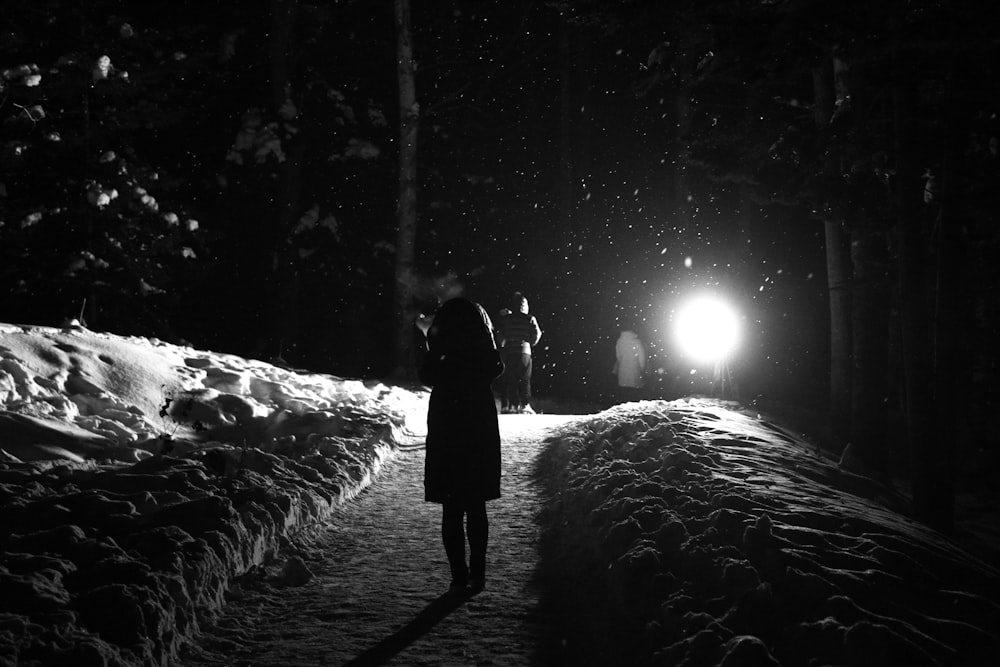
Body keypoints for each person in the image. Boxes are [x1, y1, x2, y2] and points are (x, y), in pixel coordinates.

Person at [418, 297, 504, 594]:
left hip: (446, 419)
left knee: (452, 506)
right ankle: (478, 573)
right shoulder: (482, 337)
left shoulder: (441, 339)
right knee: (476, 502)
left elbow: (426, 375)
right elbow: (496, 367)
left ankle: (458, 574)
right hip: (477, 418)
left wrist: (436, 351)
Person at [494, 292, 542, 414]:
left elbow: (499, 334)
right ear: (525, 306)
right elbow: (537, 334)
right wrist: (529, 343)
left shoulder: (506, 319)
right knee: (524, 378)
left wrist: (503, 343)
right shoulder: (530, 318)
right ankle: (525, 404)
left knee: (511, 379)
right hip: (524, 351)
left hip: (509, 351)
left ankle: (513, 405)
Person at [613, 327, 646, 402]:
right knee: (634, 394)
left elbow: (618, 356)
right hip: (634, 371)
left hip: (623, 371)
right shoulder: (637, 342)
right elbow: (642, 358)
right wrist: (642, 368)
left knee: (625, 394)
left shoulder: (619, 341)